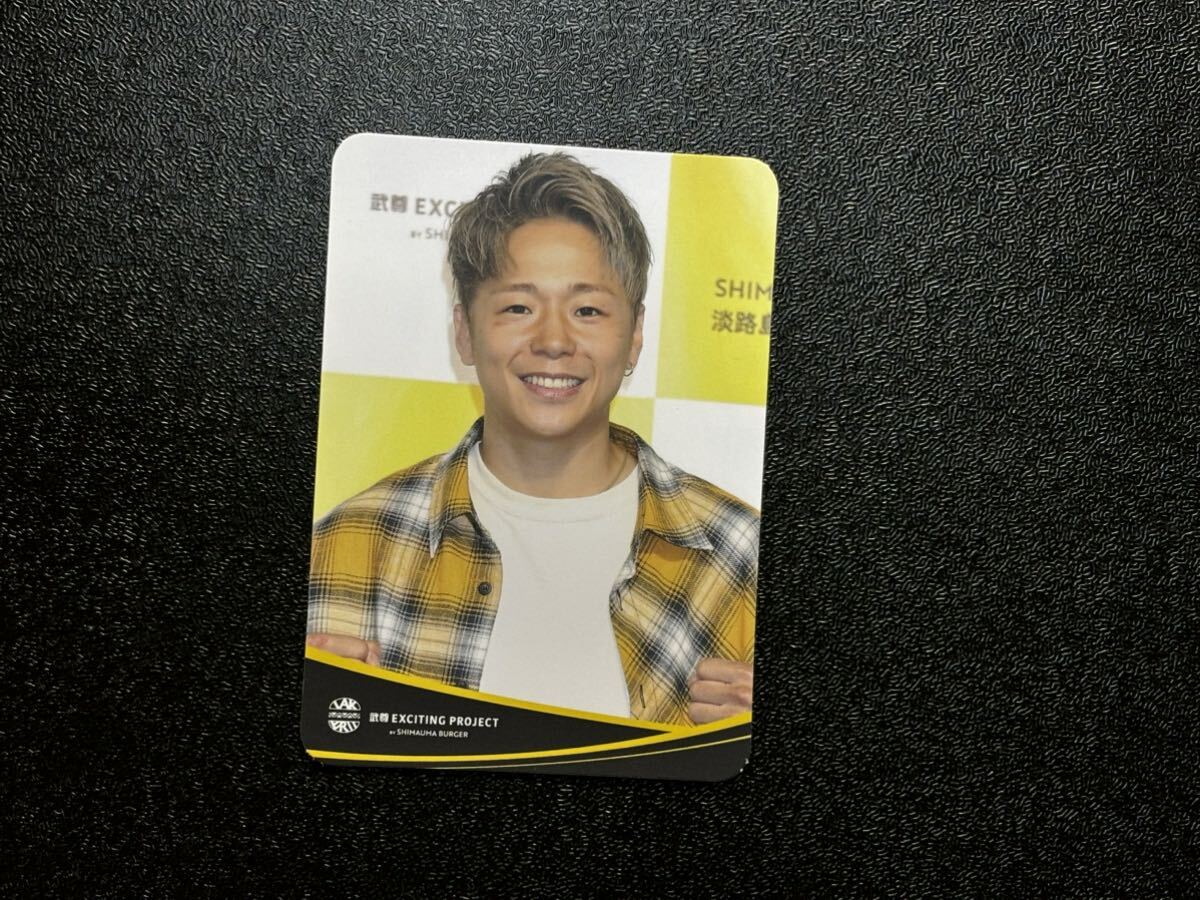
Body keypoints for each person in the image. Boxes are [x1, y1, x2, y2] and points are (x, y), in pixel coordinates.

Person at [306, 152, 756, 727]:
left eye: (587, 309)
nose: (553, 340)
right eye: (518, 307)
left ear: (635, 335)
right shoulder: (350, 543)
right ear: (464, 332)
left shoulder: (739, 552)